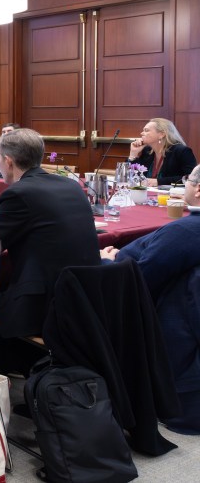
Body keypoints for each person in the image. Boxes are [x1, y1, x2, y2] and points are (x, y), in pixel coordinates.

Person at [101, 164, 200, 433]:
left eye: (187, 181)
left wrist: (110, 263)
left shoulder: (185, 232)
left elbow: (139, 282)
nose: (185, 185)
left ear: (198, 189)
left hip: (149, 306)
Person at [0, 128, 100, 341]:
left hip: (41, 305)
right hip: (84, 299)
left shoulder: (18, 194)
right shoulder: (71, 185)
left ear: (8, 161)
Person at [128, 118, 197, 186]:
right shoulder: (147, 151)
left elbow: (190, 178)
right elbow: (131, 176)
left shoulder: (181, 151)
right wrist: (133, 154)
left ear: (161, 134)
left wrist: (158, 181)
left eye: (146, 130)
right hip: (148, 194)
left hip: (173, 195)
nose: (142, 133)